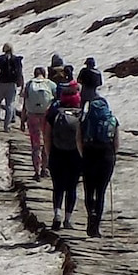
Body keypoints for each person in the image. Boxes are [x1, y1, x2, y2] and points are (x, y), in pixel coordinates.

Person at [46, 83, 86, 230]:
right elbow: (82, 138)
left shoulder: (55, 113)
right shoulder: (81, 115)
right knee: (71, 187)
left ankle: (57, 213)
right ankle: (68, 219)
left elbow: (47, 135)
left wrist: (49, 153)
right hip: (75, 155)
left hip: (57, 153)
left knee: (58, 187)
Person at [79, 93, 119, 237]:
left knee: (89, 191)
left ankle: (91, 217)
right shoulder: (112, 120)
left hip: (89, 155)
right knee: (101, 192)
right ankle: (96, 225)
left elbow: (79, 140)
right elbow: (116, 144)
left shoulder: (85, 119)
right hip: (106, 157)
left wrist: (83, 154)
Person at [23, 66, 58, 178]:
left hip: (32, 116)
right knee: (46, 143)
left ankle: (36, 171)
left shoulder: (29, 84)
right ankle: (44, 168)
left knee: (35, 144)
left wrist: (22, 120)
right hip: (46, 117)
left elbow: (25, 103)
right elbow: (56, 102)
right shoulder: (51, 84)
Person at [0, 44, 23, 132]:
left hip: (1, 83)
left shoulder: (0, 58)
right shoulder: (16, 59)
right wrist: (20, 83)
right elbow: (20, 72)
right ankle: (7, 126)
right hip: (12, 84)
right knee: (10, 104)